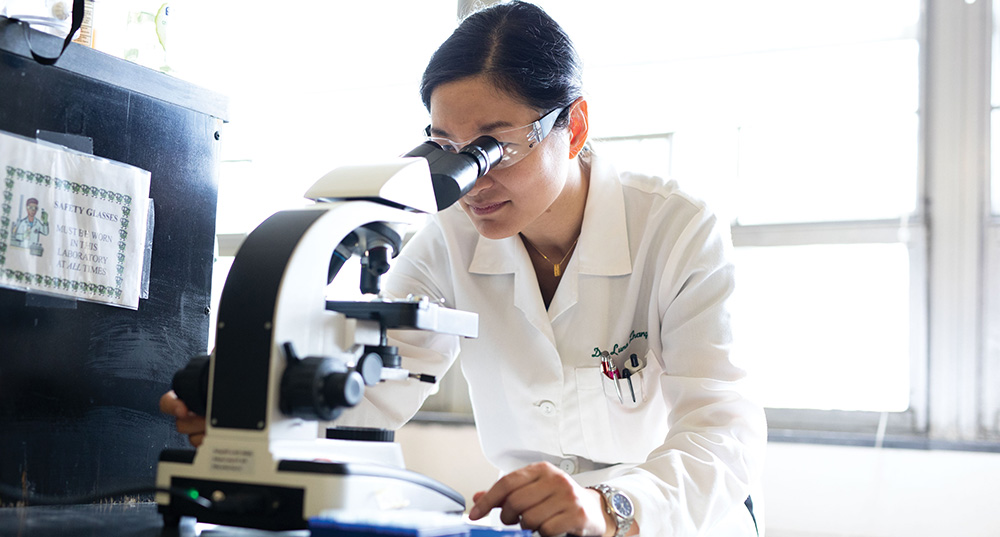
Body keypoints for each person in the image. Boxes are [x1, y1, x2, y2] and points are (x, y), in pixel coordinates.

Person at [161, 2, 767, 536]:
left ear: (573, 125)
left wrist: (611, 507)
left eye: (492, 146)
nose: (472, 183)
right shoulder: (450, 233)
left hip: (671, 520)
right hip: (529, 521)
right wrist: (251, 413)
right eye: (447, 146)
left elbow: (723, 433)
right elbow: (377, 380)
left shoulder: (677, 228)